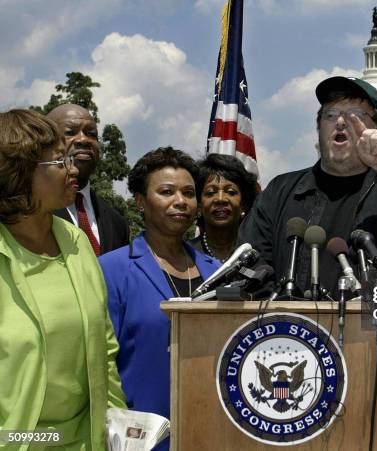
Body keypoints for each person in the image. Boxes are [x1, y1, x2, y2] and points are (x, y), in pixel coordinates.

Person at [238, 76, 377, 295]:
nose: (341, 122)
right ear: (319, 128)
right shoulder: (280, 192)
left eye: (355, 115)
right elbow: (250, 264)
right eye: (331, 115)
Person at [0, 109, 126, 450]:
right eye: (59, 162)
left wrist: (117, 426)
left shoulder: (77, 242)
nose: (72, 169)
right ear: (19, 173)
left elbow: (105, 347)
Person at [99, 147, 219, 451]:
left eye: (189, 193)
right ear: (141, 202)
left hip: (212, 430)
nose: (180, 201)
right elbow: (101, 361)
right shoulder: (112, 269)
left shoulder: (217, 271)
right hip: (141, 438)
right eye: (166, 192)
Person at [48, 104, 130, 255]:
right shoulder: (28, 212)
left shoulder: (117, 222)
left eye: (91, 134)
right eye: (70, 132)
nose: (83, 140)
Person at [190, 153, 258, 262]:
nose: (220, 199)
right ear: (199, 206)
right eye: (211, 192)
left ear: (244, 205)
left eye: (231, 192)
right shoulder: (186, 254)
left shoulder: (257, 253)